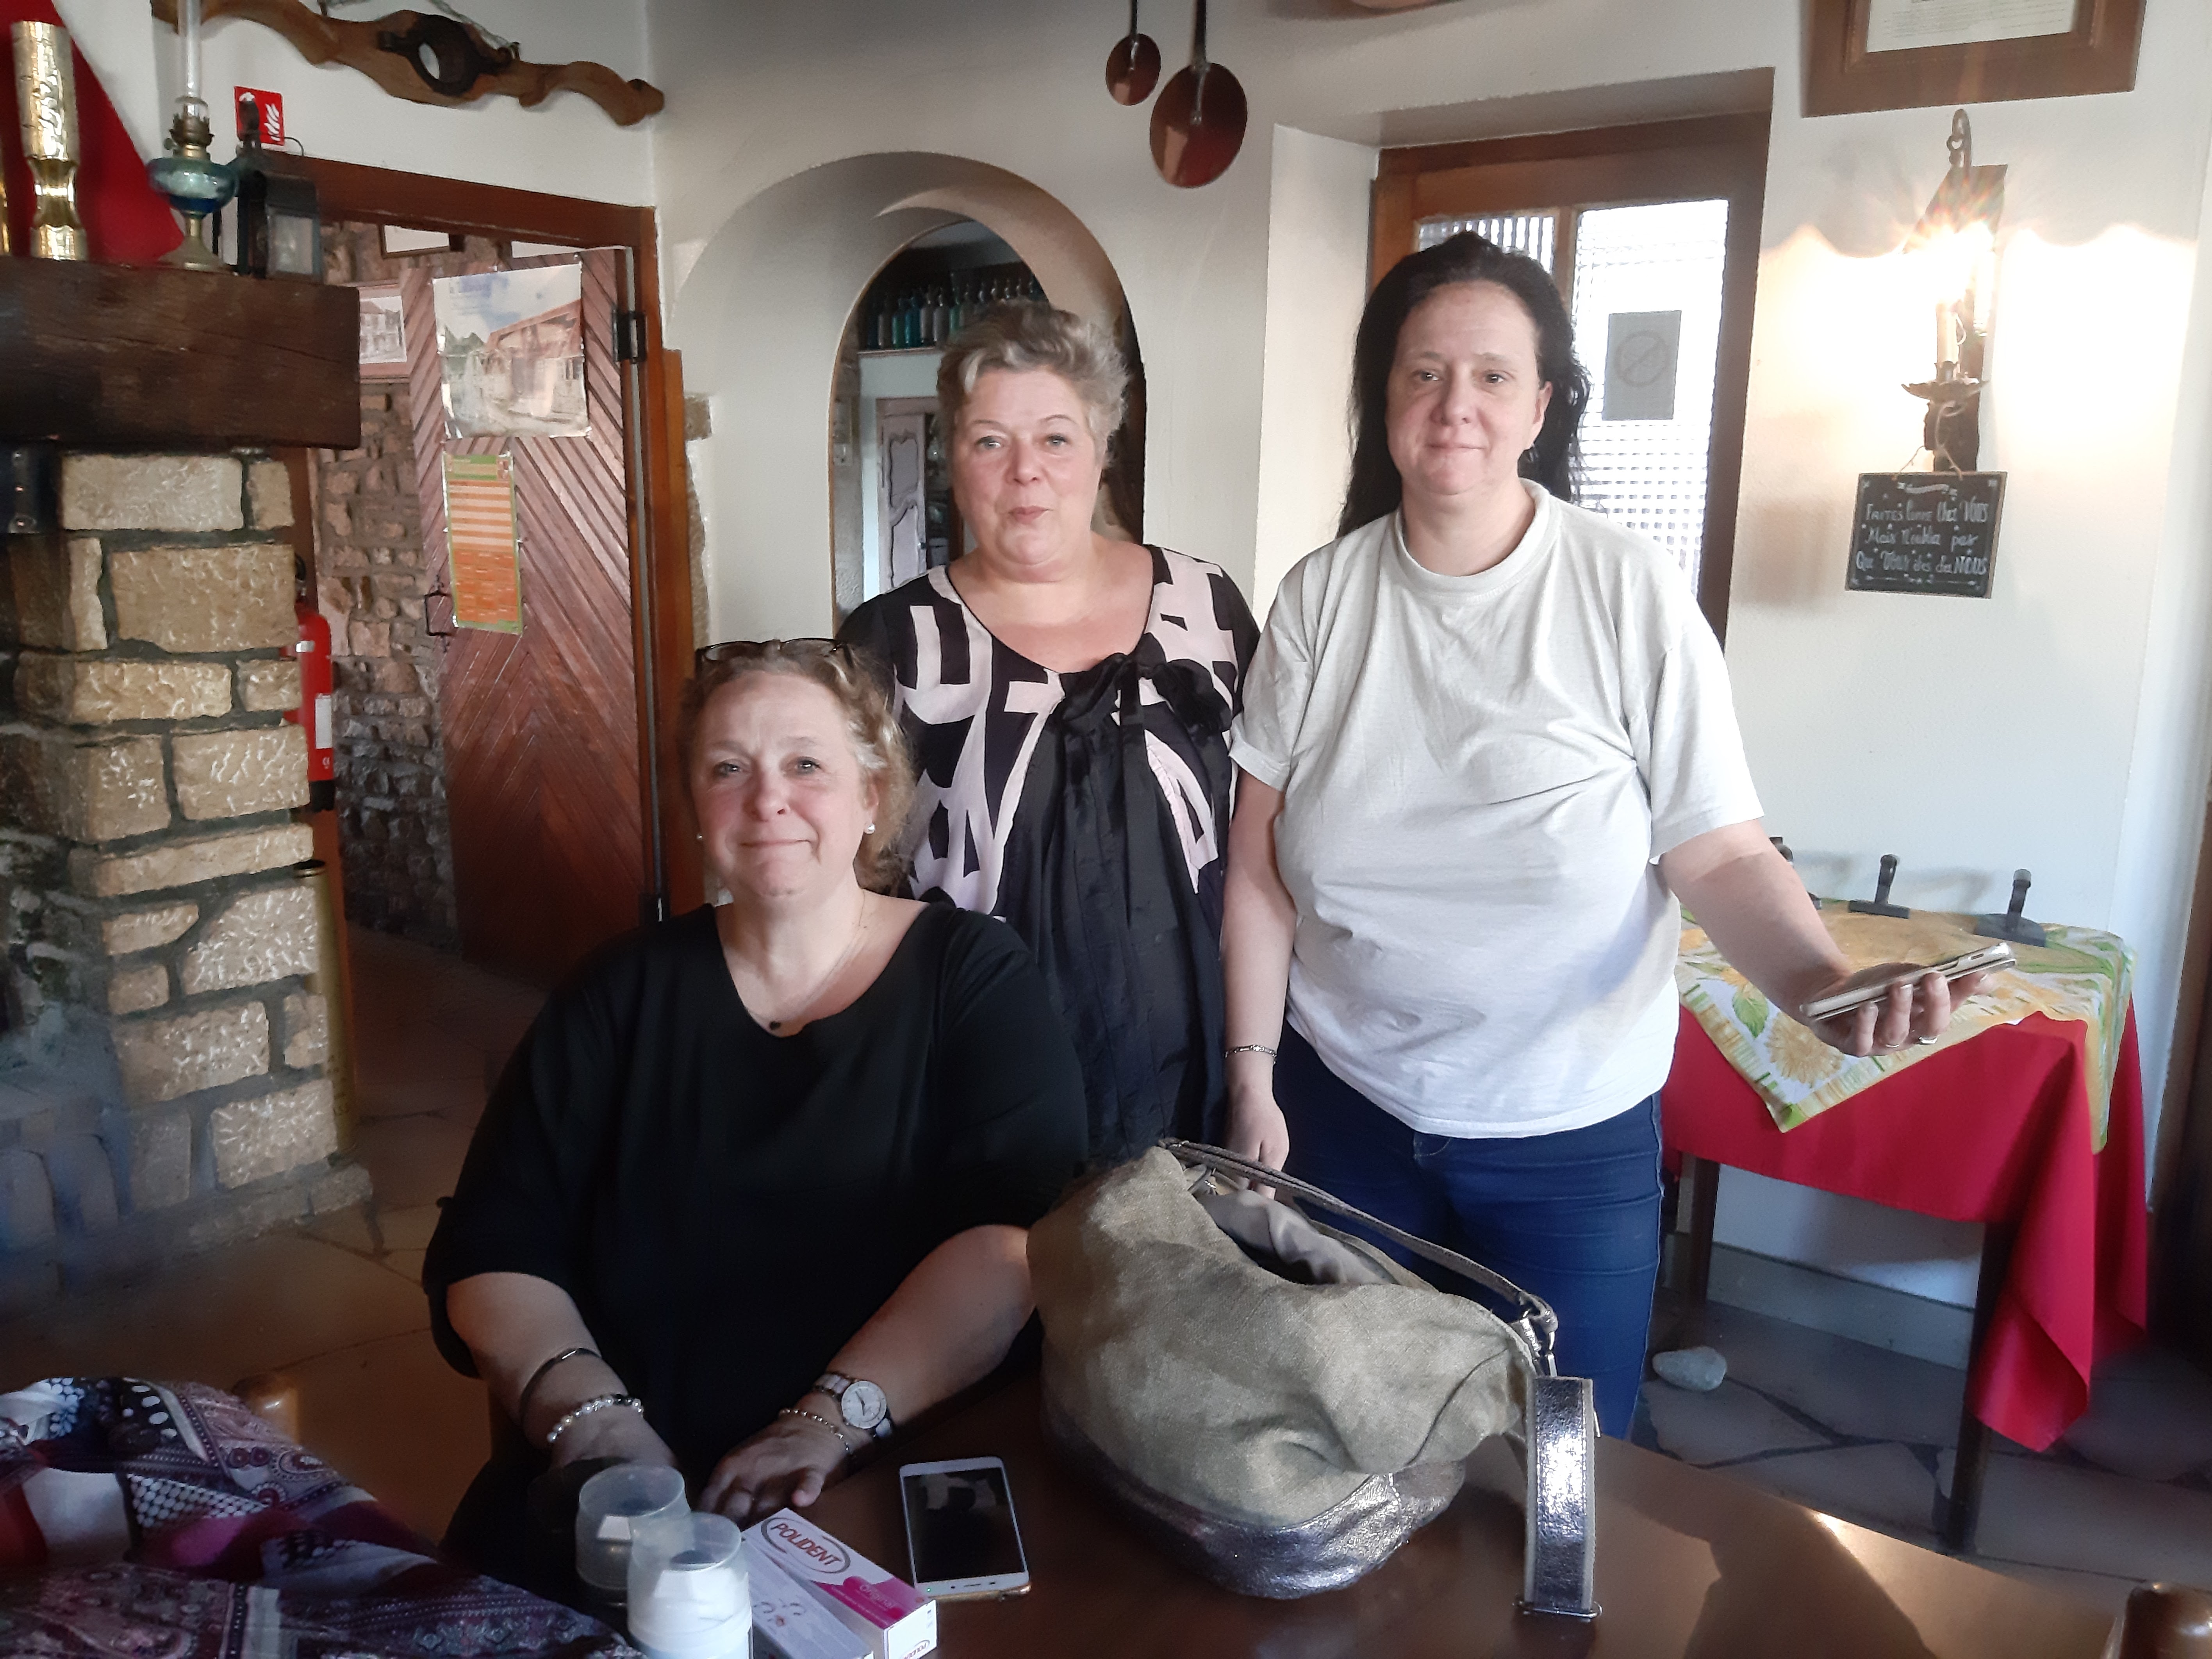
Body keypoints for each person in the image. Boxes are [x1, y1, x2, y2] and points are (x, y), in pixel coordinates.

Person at [1219, 233, 1984, 1436]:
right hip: (1345, 1106)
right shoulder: (1321, 596)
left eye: (1491, 375)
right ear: (1385, 400)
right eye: (1423, 373)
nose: (1455, 405)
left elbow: (1717, 852)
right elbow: (1260, 871)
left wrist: (1819, 983)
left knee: (1562, 1465)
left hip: (1565, 1137)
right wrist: (1253, 1079)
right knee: (1348, 1437)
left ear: (1542, 405)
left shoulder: (1628, 591)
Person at [424, 640, 1087, 1591]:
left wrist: (826, 1422)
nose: (768, 799)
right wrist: (593, 1421)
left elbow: (1014, 1243)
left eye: (805, 764)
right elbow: (493, 1241)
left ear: (871, 796)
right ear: (697, 807)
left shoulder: (974, 977)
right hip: (628, 1487)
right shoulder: (617, 991)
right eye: (728, 769)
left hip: (882, 1468)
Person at [840, 303, 1259, 1167]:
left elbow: (1263, 843)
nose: (1025, 471)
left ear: (1103, 449)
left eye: (1057, 439)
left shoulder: (1208, 608)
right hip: (975, 1076)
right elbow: (854, 879)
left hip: (1201, 1071)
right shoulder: (893, 640)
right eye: (990, 441)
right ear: (953, 458)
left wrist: (1257, 1069)